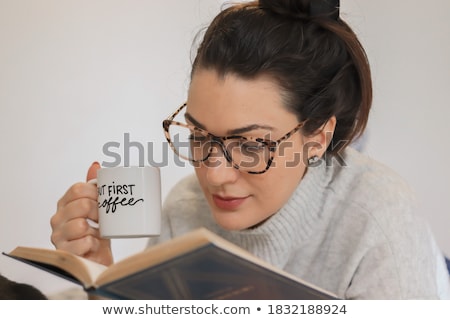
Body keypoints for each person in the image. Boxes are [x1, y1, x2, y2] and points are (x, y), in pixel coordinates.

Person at [50, 0, 450, 299]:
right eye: (201, 137)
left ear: (319, 137)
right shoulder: (184, 209)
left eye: (251, 145)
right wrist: (98, 279)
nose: (214, 174)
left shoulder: (376, 217)